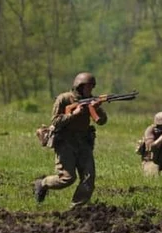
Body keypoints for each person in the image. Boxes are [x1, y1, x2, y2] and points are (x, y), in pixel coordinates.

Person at [34, 72, 107, 207]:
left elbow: (102, 121)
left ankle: (76, 208)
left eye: (92, 87)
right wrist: (73, 114)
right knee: (67, 178)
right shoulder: (64, 99)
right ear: (79, 86)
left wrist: (97, 109)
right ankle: (43, 183)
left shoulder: (91, 100)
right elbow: (55, 122)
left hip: (84, 142)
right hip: (65, 143)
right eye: (88, 86)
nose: (90, 90)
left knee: (88, 178)